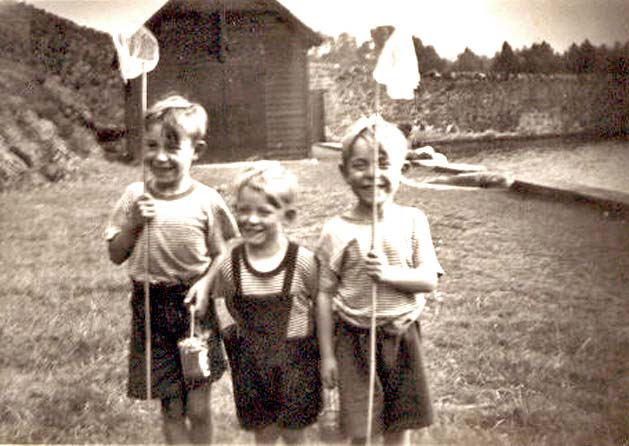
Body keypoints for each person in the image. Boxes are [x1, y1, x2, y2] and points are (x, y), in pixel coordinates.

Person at [104, 95, 239, 444]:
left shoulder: (206, 200)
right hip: (150, 306)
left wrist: (208, 284)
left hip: (193, 306)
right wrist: (134, 222)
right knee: (172, 408)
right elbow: (115, 254)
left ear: (197, 150)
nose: (160, 156)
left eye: (172, 146)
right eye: (151, 145)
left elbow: (226, 251)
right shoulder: (135, 196)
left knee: (198, 408)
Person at [316, 115, 444, 445]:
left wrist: (387, 274)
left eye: (384, 164)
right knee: (361, 427)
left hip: (402, 336)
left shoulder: (414, 221)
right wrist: (328, 354)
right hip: (354, 340)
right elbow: (324, 295)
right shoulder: (336, 231)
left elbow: (428, 279)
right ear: (344, 172)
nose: (372, 174)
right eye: (360, 165)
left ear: (404, 169)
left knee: (399, 424)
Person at [213, 161, 322, 445]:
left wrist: (328, 353)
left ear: (288, 217)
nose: (251, 219)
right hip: (252, 365)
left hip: (295, 363)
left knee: (294, 433)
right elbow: (224, 303)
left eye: (263, 211)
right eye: (243, 210)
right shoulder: (230, 266)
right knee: (264, 433)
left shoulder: (303, 262)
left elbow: (322, 302)